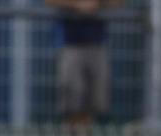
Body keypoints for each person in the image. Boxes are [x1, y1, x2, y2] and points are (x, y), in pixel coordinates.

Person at [45, 0, 123, 128]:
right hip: (70, 42)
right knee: (72, 96)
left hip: (97, 43)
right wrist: (77, 4)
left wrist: (96, 3)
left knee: (96, 98)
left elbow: (119, 3)